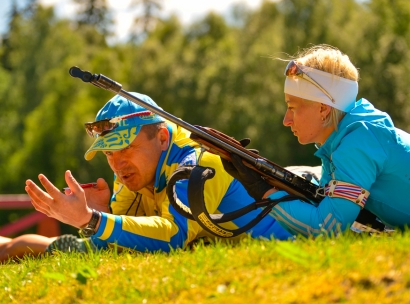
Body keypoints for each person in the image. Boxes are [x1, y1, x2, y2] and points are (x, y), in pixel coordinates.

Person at [222, 44, 410, 237]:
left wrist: (262, 191)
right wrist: (264, 176)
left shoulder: (356, 145)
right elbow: (322, 206)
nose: (286, 120)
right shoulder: (347, 139)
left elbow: (327, 227)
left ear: (323, 109)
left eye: (292, 107)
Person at [24, 93, 293, 253]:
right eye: (109, 154)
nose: (118, 165)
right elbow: (124, 241)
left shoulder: (197, 165)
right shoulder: (132, 171)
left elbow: (173, 235)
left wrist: (92, 219)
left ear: (162, 138)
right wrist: (102, 214)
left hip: (288, 240)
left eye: (126, 147)